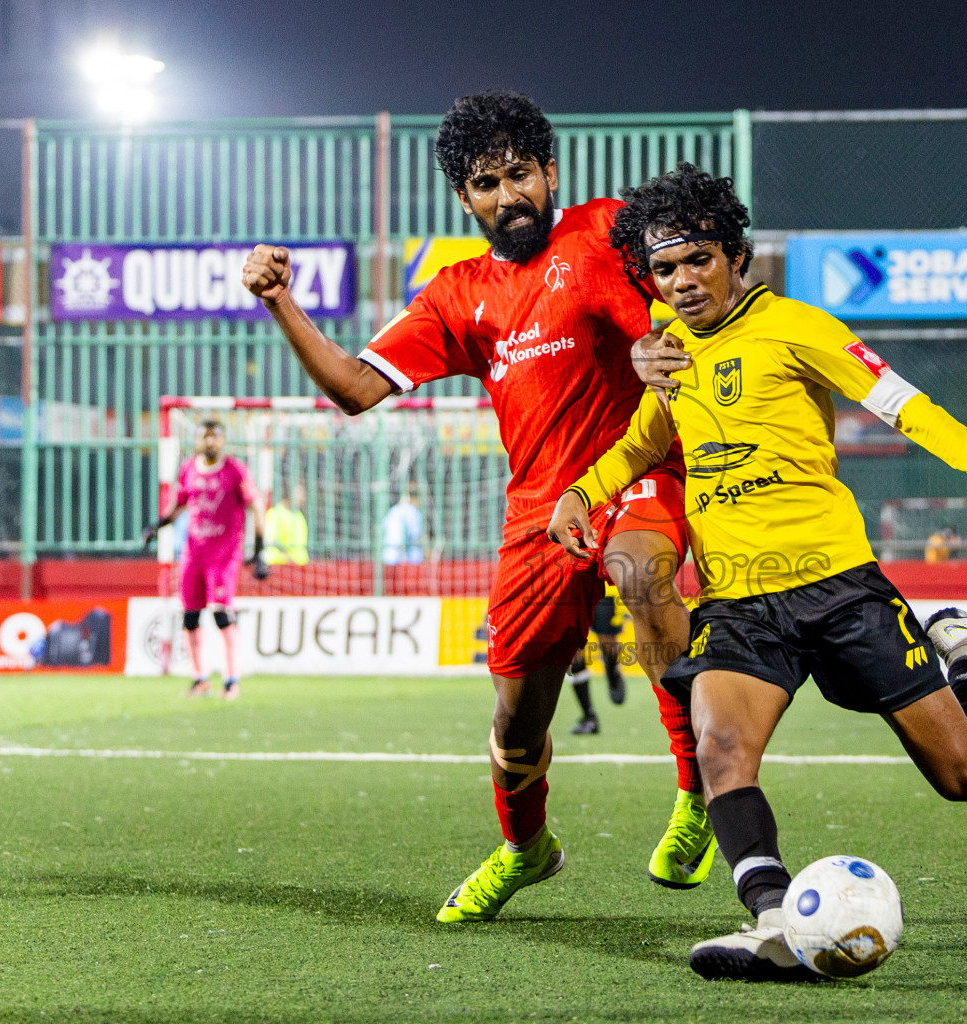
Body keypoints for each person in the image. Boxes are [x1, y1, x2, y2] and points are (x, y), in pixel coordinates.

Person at [547, 165, 967, 981]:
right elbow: (645, 443)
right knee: (721, 747)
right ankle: (770, 921)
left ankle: (965, 650)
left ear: (734, 255)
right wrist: (582, 493)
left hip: (838, 586)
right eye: (665, 270)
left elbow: (908, 405)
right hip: (739, 602)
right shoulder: (669, 350)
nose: (683, 282)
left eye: (698, 260)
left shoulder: (799, 327)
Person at [242, 91, 713, 920]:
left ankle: (699, 789)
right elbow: (354, 389)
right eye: (486, 183)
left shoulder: (604, 232)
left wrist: (657, 335)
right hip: (538, 515)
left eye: (521, 174)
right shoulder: (457, 295)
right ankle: (525, 849)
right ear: (464, 199)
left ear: (550, 172)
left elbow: (683, 298)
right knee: (515, 719)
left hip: (637, 473)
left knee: (643, 571)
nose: (508, 196)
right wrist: (282, 301)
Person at [143, 420, 267, 700]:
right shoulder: (188, 468)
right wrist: (156, 526)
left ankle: (231, 680)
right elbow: (178, 505)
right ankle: (200, 679)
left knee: (221, 613)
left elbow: (257, 506)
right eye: (204, 437)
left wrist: (259, 552)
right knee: (190, 617)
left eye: (214, 437)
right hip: (193, 555)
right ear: (197, 440)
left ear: (222, 441)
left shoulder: (235, 470)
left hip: (224, 555)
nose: (209, 442)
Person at [565, 587, 629, 735]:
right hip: (570, 587)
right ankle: (589, 715)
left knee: (607, 641)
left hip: (603, 586)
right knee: (573, 648)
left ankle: (612, 669)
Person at [264, 483, 310, 565]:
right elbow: (270, 544)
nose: (303, 498)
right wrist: (286, 558)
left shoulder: (299, 516)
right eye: (300, 493)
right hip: (281, 567)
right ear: (290, 493)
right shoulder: (274, 514)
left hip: (301, 567)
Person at [382, 484, 426, 564]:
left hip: (389, 558)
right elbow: (415, 537)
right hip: (408, 561)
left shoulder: (392, 511)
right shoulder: (413, 512)